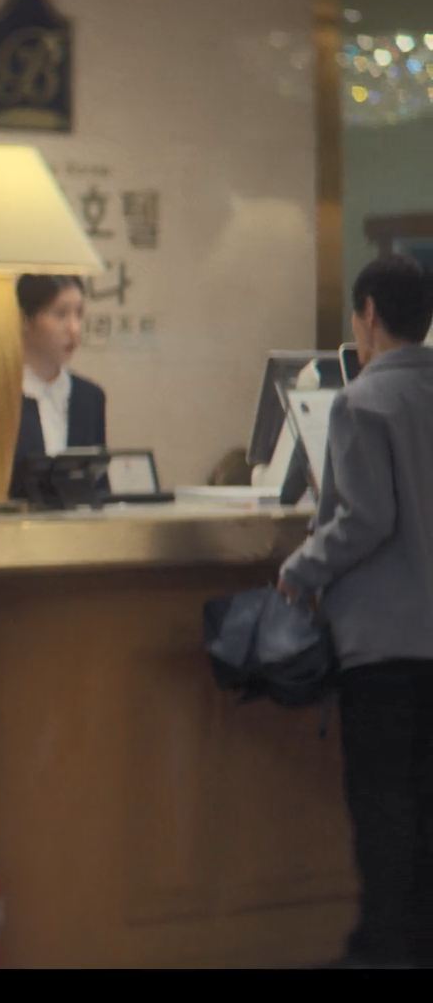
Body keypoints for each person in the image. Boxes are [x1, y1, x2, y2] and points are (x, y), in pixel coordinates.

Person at [278, 254, 433, 969]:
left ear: (368, 314)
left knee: (384, 810)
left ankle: (384, 950)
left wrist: (300, 569)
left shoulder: (362, 402)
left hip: (384, 647)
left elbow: (365, 518)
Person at [0, 274, 107, 499]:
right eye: (60, 314)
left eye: (79, 314)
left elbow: (99, 485)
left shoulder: (90, 397)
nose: (74, 329)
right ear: (25, 319)